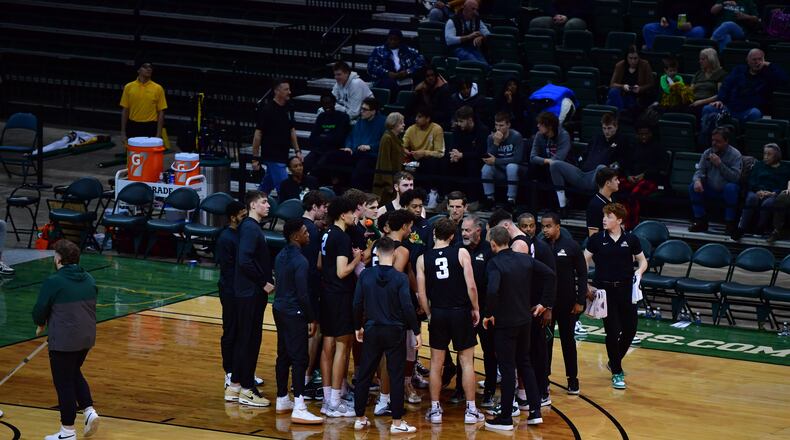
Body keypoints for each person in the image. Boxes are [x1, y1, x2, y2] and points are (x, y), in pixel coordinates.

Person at [482, 226, 556, 430]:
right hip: (525, 321)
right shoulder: (525, 259)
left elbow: (492, 290)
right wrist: (544, 303)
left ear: (493, 244)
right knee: (525, 363)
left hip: (505, 324)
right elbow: (550, 274)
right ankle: (535, 412)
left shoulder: (494, 263)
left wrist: (488, 313)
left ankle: (506, 418)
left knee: (507, 369)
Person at [416, 218, 483, 424]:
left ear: (434, 234)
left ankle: (436, 410)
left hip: (438, 312)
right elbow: (471, 286)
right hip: (460, 312)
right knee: (466, 362)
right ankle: (471, 410)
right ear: (453, 236)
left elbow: (421, 293)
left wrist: (429, 314)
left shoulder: (422, 259)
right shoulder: (461, 252)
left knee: (436, 364)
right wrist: (475, 308)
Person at [352, 237, 420, 434]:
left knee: (365, 374)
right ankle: (397, 423)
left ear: (376, 253)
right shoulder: (400, 278)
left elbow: (357, 303)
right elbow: (407, 306)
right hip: (395, 331)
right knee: (396, 375)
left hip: (372, 329)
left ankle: (359, 418)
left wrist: (357, 326)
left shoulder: (365, 275)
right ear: (394, 254)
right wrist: (416, 331)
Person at [33, 240, 100, 440]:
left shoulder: (54, 281)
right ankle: (89, 410)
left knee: (64, 383)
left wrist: (40, 323)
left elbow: (40, 308)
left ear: (59, 259)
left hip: (64, 340)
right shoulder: (89, 278)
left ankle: (67, 432)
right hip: (86, 337)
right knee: (72, 373)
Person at [584, 203, 648, 390]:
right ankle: (617, 372)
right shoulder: (597, 239)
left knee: (630, 329)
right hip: (605, 291)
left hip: (626, 289)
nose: (604, 219)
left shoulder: (631, 239)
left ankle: (614, 361)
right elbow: (584, 259)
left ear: (619, 220)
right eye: (604, 216)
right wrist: (585, 282)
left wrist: (639, 272)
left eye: (609, 216)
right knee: (612, 331)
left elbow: (642, 260)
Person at [273, 218, 324, 424]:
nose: (308, 234)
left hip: (279, 309)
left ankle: (282, 398)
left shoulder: (280, 255)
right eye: (305, 232)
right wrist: (312, 317)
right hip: (294, 312)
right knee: (300, 358)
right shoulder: (301, 261)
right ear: (295, 236)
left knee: (283, 355)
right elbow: (303, 294)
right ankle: (300, 406)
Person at [228, 191, 274, 407]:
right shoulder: (249, 228)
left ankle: (235, 386)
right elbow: (244, 260)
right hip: (250, 293)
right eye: (264, 202)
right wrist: (263, 282)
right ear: (253, 205)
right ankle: (247, 389)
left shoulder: (251, 227)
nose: (268, 205)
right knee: (249, 341)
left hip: (247, 292)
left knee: (244, 339)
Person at [319, 197, 363, 417]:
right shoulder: (342, 237)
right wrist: (357, 259)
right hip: (340, 296)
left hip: (326, 294)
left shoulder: (326, 233)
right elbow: (342, 271)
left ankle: (328, 398)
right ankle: (335, 401)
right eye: (352, 212)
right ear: (343, 214)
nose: (354, 216)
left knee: (327, 345)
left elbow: (320, 264)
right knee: (342, 346)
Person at [540, 212, 586, 395]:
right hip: (546, 305)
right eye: (543, 226)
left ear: (558, 226)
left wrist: (580, 301)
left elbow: (582, 274)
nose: (545, 230)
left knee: (568, 341)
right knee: (546, 342)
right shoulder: (540, 246)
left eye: (548, 226)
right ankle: (544, 379)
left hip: (567, 304)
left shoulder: (571, 246)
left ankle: (572, 379)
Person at [551, 113, 627, 214]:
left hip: (598, 177)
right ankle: (562, 205)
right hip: (582, 174)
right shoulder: (597, 138)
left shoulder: (622, 141)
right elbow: (584, 154)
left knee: (601, 168)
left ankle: (602, 207)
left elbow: (620, 163)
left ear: (616, 127)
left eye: (609, 128)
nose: (606, 131)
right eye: (604, 128)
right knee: (555, 164)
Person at [702, 49, 789, 127]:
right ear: (747, 60)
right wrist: (720, 100)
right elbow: (726, 85)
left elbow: (785, 80)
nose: (757, 62)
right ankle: (708, 138)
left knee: (755, 113)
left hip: (749, 110)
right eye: (754, 60)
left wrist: (770, 65)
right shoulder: (739, 70)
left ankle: (744, 137)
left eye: (760, 59)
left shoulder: (768, 74)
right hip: (730, 108)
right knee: (708, 109)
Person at [460, 215, 495, 407]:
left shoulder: (489, 250)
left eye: (468, 230)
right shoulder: (458, 248)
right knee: (463, 351)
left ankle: (489, 390)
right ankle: (460, 389)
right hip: (464, 310)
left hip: (485, 310)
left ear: (478, 231)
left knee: (490, 351)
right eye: (462, 230)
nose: (464, 234)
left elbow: (492, 284)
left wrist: (489, 311)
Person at [302, 190, 330, 399]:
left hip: (297, 288)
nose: (325, 211)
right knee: (314, 332)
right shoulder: (312, 231)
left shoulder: (300, 225)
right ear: (314, 207)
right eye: (323, 207)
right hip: (310, 287)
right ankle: (306, 378)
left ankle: (302, 378)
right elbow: (315, 265)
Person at [217, 201, 247, 398]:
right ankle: (229, 373)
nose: (245, 219)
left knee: (242, 332)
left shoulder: (242, 234)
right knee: (230, 331)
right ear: (232, 217)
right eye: (242, 216)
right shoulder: (226, 238)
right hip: (230, 291)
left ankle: (241, 371)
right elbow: (228, 269)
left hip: (239, 290)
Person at [688, 127, 743, 234]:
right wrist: (697, 180)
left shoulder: (735, 155)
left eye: (718, 141)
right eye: (713, 140)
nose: (714, 143)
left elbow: (735, 178)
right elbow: (700, 170)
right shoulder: (707, 152)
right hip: (710, 188)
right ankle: (701, 221)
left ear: (726, 141)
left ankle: (730, 223)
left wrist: (720, 164)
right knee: (693, 186)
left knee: (731, 188)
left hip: (726, 190)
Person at [251, 79, 301, 194]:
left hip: (283, 153)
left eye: (289, 89)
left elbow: (292, 130)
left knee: (265, 187)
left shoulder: (289, 107)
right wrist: (255, 157)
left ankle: (253, 201)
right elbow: (258, 134)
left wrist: (297, 150)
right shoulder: (267, 110)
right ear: (277, 91)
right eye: (286, 89)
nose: (289, 92)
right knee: (285, 189)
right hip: (272, 155)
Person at [732, 144, 790, 240]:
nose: (766, 157)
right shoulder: (758, 165)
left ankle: (760, 228)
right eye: (764, 154)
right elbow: (751, 180)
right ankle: (741, 228)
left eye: (769, 154)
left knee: (768, 203)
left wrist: (773, 193)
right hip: (756, 191)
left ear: (777, 156)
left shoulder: (785, 168)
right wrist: (758, 190)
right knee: (751, 198)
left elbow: (784, 185)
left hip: (773, 194)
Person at [620, 123, 665, 229]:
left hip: (649, 179)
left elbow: (660, 168)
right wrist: (628, 175)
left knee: (634, 195)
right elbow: (626, 164)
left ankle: (631, 224)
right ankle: (619, 218)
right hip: (632, 178)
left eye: (646, 134)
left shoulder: (658, 148)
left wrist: (643, 175)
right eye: (641, 134)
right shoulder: (633, 147)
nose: (644, 136)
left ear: (651, 134)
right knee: (616, 186)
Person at [481, 112, 524, 212]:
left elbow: (518, 159)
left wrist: (496, 161)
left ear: (508, 125)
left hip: (515, 171)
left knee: (511, 166)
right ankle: (489, 199)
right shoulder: (491, 138)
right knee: (486, 168)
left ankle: (511, 200)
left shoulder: (516, 136)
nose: (498, 128)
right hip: (499, 171)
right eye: (496, 125)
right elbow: (488, 158)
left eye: (501, 125)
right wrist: (496, 143)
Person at [446, 106, 487, 206]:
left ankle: (473, 200)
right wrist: (453, 155)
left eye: (461, 121)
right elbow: (452, 146)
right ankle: (449, 197)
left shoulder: (482, 130)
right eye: (458, 121)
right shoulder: (458, 129)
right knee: (447, 161)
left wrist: (462, 155)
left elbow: (481, 153)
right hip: (460, 158)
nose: (459, 124)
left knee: (472, 164)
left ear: (470, 120)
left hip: (476, 160)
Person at [306, 93, 351, 183]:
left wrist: (322, 137)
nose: (327, 106)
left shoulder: (343, 117)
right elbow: (313, 138)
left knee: (319, 166)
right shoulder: (321, 117)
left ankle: (313, 183)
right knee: (306, 161)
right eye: (324, 103)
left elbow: (338, 139)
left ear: (334, 103)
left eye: (329, 103)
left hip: (335, 150)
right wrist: (327, 138)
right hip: (320, 149)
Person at [403, 107, 445, 203]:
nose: (416, 119)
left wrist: (424, 153)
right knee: (407, 165)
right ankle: (408, 196)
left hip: (430, 161)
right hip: (414, 160)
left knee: (433, 163)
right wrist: (405, 150)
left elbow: (440, 153)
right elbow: (402, 145)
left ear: (428, 119)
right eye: (416, 116)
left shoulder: (436, 129)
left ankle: (430, 195)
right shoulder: (411, 129)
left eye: (420, 117)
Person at [344, 97, 387, 190]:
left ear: (373, 111)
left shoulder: (383, 122)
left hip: (371, 155)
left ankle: (355, 192)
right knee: (333, 157)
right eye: (361, 109)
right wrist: (348, 147)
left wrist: (370, 147)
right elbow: (350, 136)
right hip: (355, 152)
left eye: (365, 109)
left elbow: (385, 142)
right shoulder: (360, 121)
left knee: (361, 167)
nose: (361, 111)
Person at [367, 29, 425, 97]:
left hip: (404, 79)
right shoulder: (378, 50)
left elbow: (421, 62)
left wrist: (407, 72)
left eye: (395, 39)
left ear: (400, 40)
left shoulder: (409, 51)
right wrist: (387, 73)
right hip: (385, 80)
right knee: (388, 84)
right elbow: (371, 67)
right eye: (390, 39)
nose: (392, 41)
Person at [119, 61, 167, 142]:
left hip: (150, 127)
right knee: (133, 150)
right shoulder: (129, 87)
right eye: (145, 67)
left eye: (150, 67)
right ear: (138, 70)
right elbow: (125, 110)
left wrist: (159, 134)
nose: (149, 69)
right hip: (133, 126)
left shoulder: (158, 88)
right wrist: (123, 132)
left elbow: (161, 112)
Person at [606, 46, 655, 115]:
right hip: (623, 94)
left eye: (635, 58)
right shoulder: (620, 65)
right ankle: (620, 114)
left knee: (609, 102)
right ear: (626, 58)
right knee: (613, 92)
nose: (633, 61)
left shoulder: (645, 65)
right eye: (630, 58)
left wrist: (640, 88)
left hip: (636, 97)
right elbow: (612, 84)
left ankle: (616, 116)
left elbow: (651, 84)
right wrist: (623, 86)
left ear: (639, 57)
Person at [641, 1, 707, 50]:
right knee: (648, 28)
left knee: (698, 31)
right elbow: (661, 9)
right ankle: (660, 54)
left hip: (690, 29)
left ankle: (678, 50)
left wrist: (692, 24)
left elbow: (704, 16)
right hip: (670, 26)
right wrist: (663, 19)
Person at [444, 0, 491, 67]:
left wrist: (481, 37)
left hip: (472, 48)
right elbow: (449, 40)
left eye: (476, 9)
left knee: (484, 63)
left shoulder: (477, 19)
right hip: (457, 49)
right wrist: (469, 37)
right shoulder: (452, 20)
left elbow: (488, 34)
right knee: (476, 63)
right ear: (464, 8)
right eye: (473, 9)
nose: (475, 12)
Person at [373, 112, 406, 203]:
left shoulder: (396, 138)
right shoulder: (387, 138)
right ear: (393, 124)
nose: (404, 125)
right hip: (386, 184)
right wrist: (388, 184)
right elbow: (385, 162)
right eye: (401, 123)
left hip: (394, 179)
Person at [690, 48, 727, 118]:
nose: (700, 61)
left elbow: (720, 95)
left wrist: (701, 102)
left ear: (711, 60)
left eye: (703, 59)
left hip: (709, 103)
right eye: (700, 59)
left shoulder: (721, 74)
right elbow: (690, 91)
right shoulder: (698, 74)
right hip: (694, 102)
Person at [586, 167, 619, 236]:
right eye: (616, 179)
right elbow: (593, 236)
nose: (618, 182)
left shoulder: (613, 199)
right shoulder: (595, 206)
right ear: (608, 183)